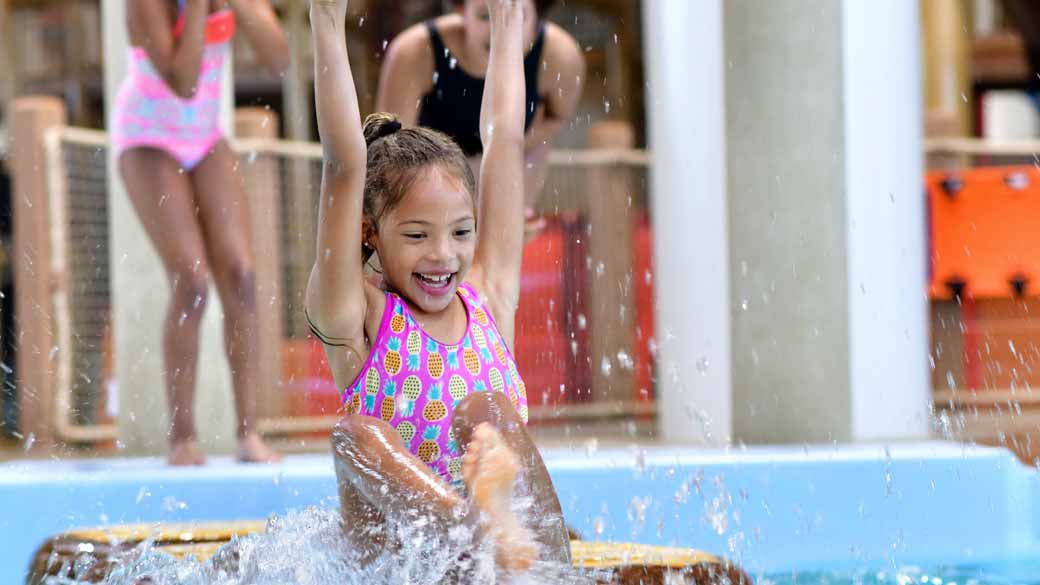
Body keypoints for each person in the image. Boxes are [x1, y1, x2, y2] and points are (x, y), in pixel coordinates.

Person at [307, 0, 570, 575]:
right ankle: (470, 526)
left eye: (460, 232)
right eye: (418, 235)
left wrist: (505, 30)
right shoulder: (358, 320)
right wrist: (325, 24)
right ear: (370, 234)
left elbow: (503, 140)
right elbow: (344, 164)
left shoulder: (489, 295)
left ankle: (545, 565)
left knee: (487, 408)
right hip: (397, 567)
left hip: (504, 564)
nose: (443, 254)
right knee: (355, 431)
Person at [112, 0, 288, 465]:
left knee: (242, 277)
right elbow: (184, 82)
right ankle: (182, 438)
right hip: (147, 136)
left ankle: (250, 433)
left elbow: (280, 62)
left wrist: (248, 9)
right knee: (191, 280)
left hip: (205, 137)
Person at [376, 0, 585, 237]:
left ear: (537, 18)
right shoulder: (414, 51)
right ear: (461, 11)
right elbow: (391, 146)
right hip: (427, 163)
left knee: (505, 227)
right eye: (485, 16)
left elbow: (556, 117)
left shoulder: (560, 55)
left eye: (515, 17)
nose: (499, 30)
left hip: (514, 154)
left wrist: (499, 162)